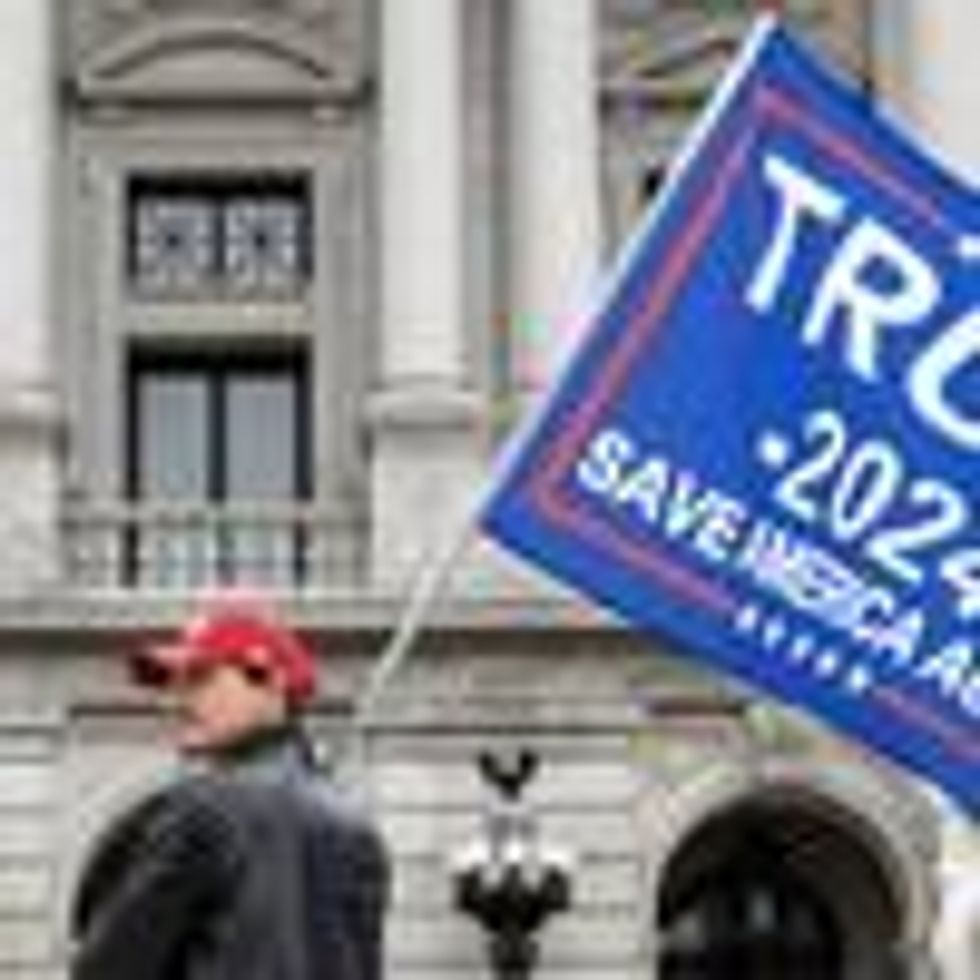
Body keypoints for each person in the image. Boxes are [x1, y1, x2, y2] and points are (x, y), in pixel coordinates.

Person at [70, 600, 390, 980]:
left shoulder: (198, 813)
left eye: (200, 678)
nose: (177, 702)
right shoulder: (358, 828)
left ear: (271, 682)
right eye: (174, 684)